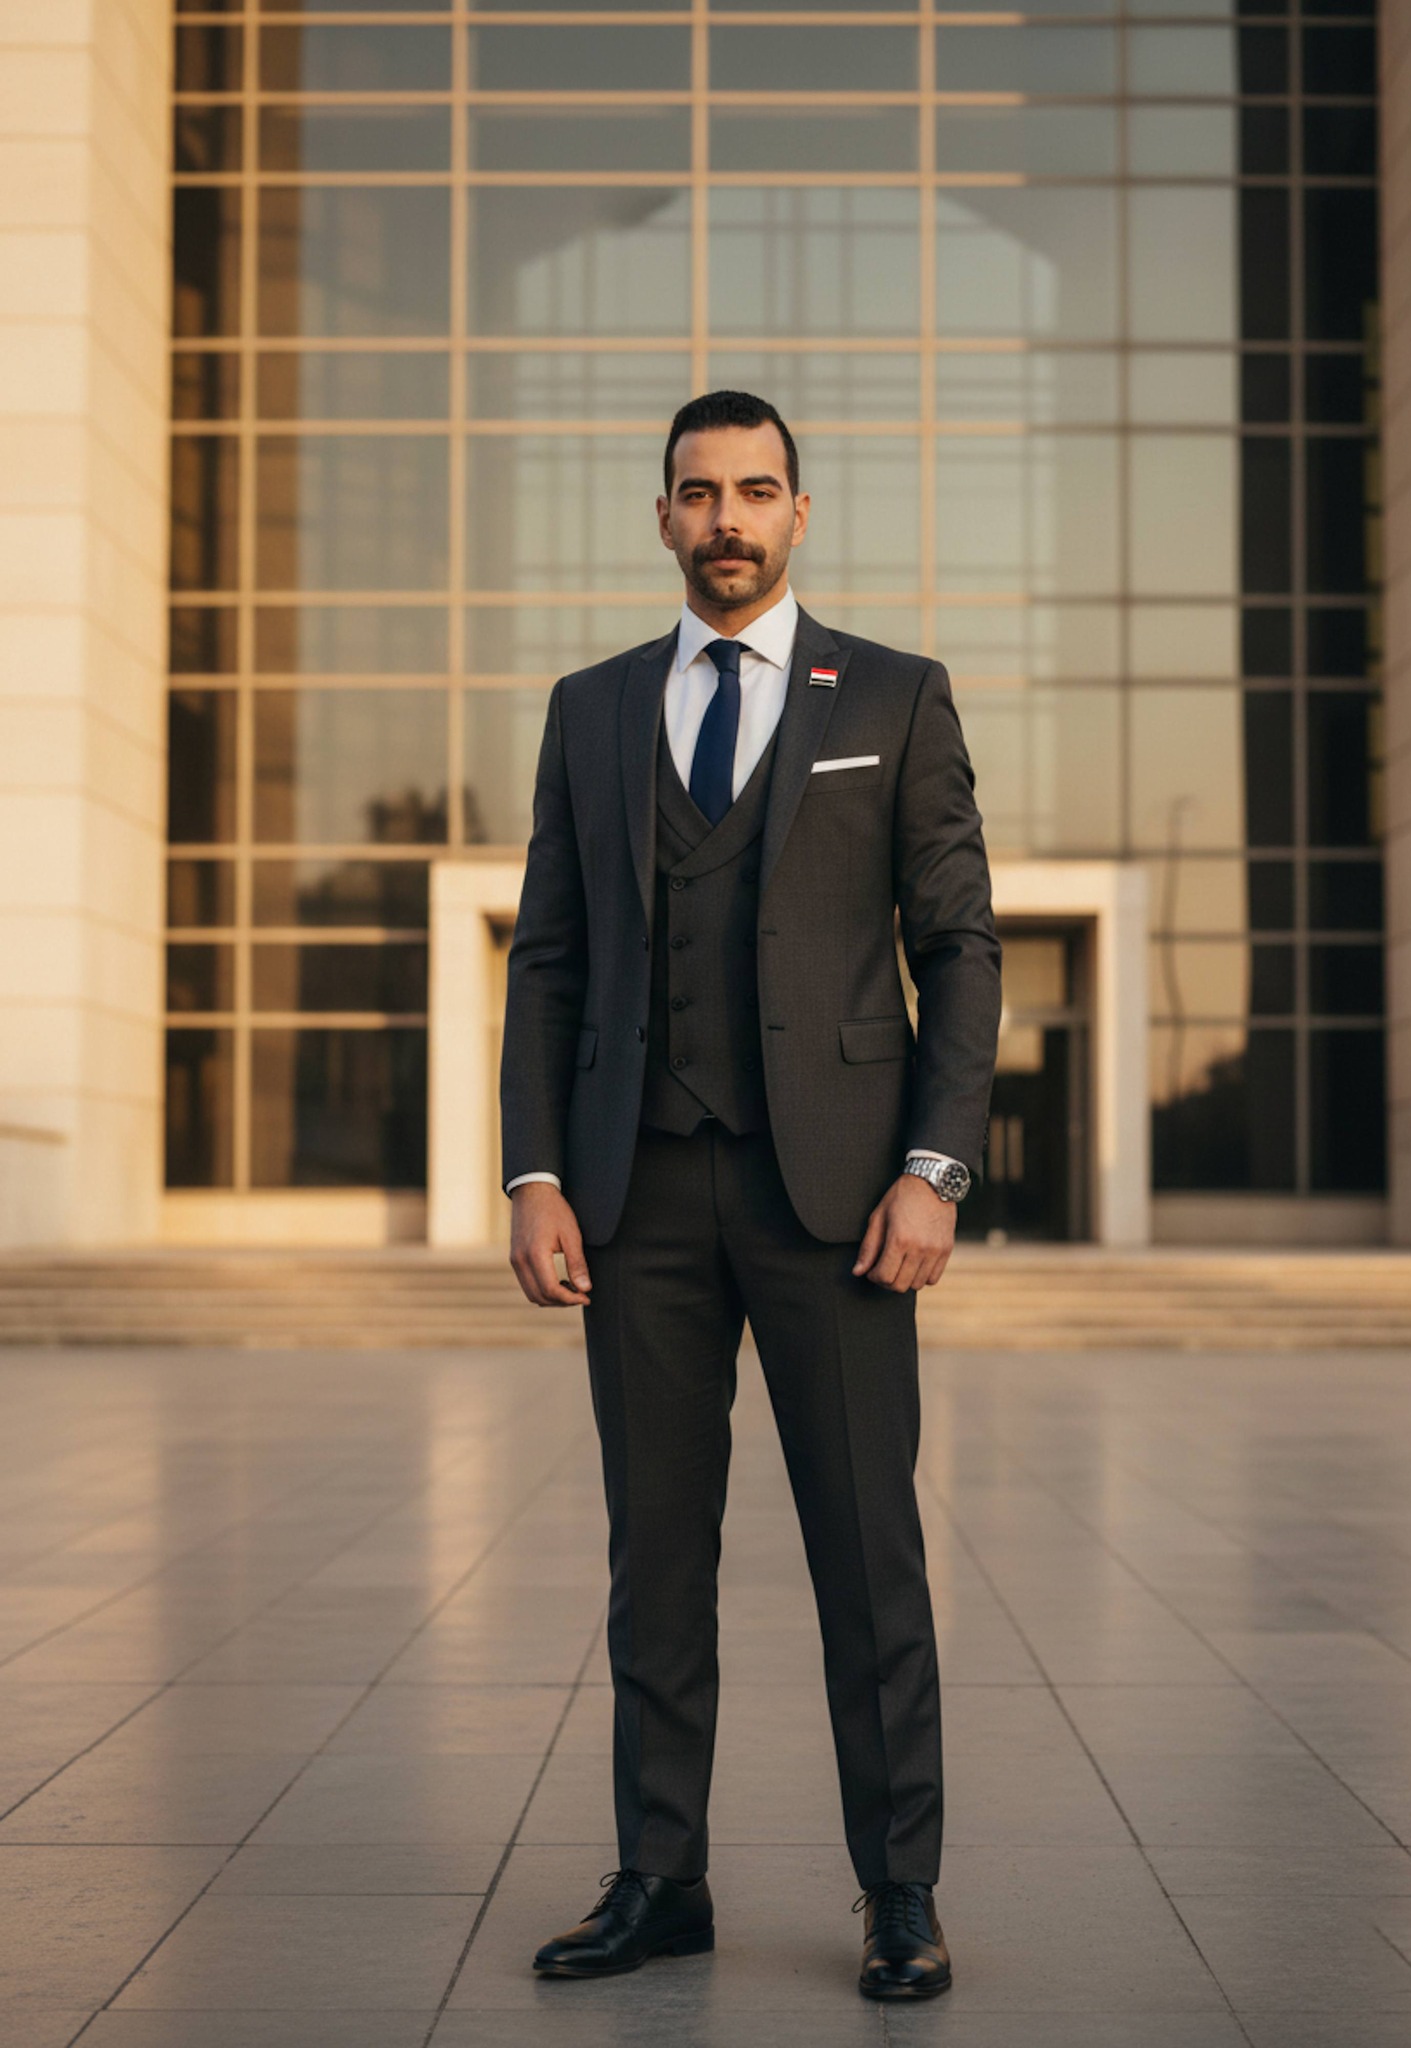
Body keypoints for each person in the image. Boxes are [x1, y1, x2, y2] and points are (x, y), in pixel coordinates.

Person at [501, 389, 1002, 2001]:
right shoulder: (589, 710)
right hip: (635, 1198)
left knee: (869, 1557)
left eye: (756, 491)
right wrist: (534, 1173)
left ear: (799, 513)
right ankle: (662, 1877)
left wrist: (934, 1169)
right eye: (698, 493)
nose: (727, 518)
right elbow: (554, 963)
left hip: (841, 1204)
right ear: (662, 517)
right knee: (656, 1556)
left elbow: (961, 952)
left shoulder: (898, 698)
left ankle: (902, 1891)